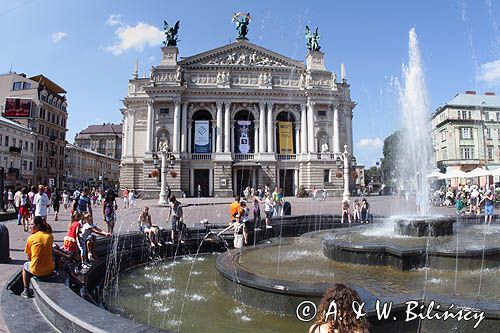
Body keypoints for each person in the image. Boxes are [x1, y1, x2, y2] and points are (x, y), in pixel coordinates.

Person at [21, 216, 55, 298]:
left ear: (38, 226)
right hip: (50, 269)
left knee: (25, 266)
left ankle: (26, 290)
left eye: (32, 224)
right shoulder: (50, 236)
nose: (30, 226)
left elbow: (29, 258)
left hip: (37, 270)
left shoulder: (31, 238)